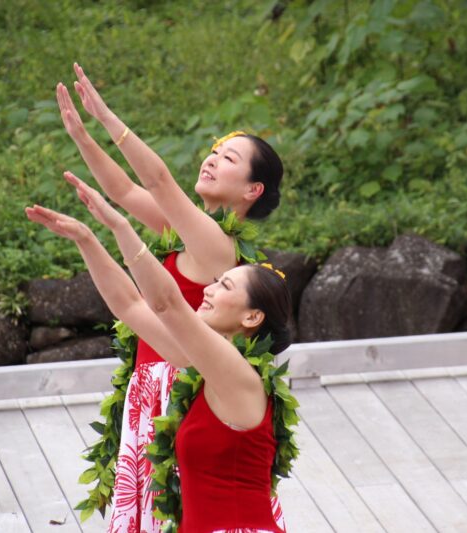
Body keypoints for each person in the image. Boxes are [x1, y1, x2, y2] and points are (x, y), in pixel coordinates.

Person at [57, 63, 286, 531]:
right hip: (147, 380)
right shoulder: (180, 233)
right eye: (214, 150)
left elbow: (159, 181)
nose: (212, 158)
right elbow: (122, 189)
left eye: (229, 158)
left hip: (176, 382)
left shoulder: (219, 247)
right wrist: (81, 135)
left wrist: (106, 118)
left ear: (252, 189)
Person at [25, 181, 293, 533]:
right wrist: (86, 239)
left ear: (252, 318)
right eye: (216, 281)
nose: (208, 290)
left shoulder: (240, 377)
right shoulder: (201, 368)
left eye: (225, 286)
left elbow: (166, 303)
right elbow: (131, 305)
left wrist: (120, 226)